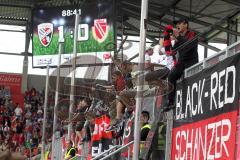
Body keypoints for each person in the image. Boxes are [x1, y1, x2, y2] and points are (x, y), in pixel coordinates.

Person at [163, 18, 199, 112]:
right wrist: (167, 37)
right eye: (176, 24)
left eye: (179, 23)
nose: (177, 25)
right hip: (181, 63)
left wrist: (178, 36)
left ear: (186, 24)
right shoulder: (178, 39)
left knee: (189, 82)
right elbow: (171, 53)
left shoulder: (192, 34)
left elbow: (188, 46)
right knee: (171, 75)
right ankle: (170, 102)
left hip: (191, 63)